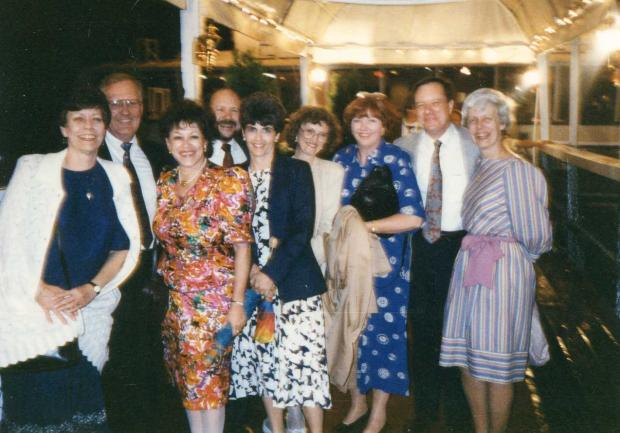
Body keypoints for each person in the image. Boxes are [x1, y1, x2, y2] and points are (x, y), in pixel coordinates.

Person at [0, 86, 140, 432]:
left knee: (83, 420)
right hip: (37, 315)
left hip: (88, 315)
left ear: (106, 127)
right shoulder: (34, 169)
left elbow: (123, 247)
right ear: (64, 128)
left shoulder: (115, 176)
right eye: (78, 119)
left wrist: (91, 290)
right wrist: (38, 290)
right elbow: (8, 239)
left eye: (96, 118)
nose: (88, 127)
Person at [439, 88, 552, 433]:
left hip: (501, 271)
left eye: (487, 118)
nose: (479, 126)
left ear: (502, 122)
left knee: (497, 364)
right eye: (472, 120)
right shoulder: (479, 165)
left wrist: (512, 259)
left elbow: (537, 237)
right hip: (470, 265)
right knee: (469, 361)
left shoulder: (517, 171)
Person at [230, 93, 332, 433]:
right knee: (267, 365)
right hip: (255, 291)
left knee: (306, 367)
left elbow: (302, 230)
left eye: (266, 129)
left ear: (277, 134)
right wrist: (254, 275)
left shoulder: (296, 170)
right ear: (243, 133)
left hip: (296, 287)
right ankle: (276, 429)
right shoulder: (232, 177)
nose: (258, 137)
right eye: (252, 129)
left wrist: (270, 272)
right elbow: (230, 236)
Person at [153, 100, 253, 433]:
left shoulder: (229, 181)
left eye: (193, 136)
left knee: (209, 381)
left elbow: (242, 247)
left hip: (214, 301)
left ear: (206, 141)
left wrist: (237, 305)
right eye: (177, 137)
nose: (186, 145)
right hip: (177, 303)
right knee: (188, 381)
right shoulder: (165, 184)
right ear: (167, 144)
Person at [98, 72, 185, 433]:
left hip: (151, 278)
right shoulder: (91, 152)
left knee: (150, 367)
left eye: (132, 101)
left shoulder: (153, 150)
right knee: (113, 368)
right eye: (115, 102)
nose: (125, 110)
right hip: (110, 278)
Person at [333, 94, 425, 433]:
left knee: (384, 336)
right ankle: (358, 402)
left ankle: (379, 412)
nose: (364, 126)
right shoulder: (341, 158)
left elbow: (414, 217)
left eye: (372, 119)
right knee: (354, 333)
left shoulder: (396, 159)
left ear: (384, 125)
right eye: (358, 119)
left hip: (387, 267)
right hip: (349, 264)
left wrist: (366, 228)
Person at [395, 76, 479, 433]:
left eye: (435, 103)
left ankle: (460, 413)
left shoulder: (475, 143)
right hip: (419, 247)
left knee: (461, 332)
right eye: (421, 104)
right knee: (423, 331)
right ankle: (425, 411)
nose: (428, 111)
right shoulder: (402, 147)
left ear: (450, 106)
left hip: (462, 247)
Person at [287, 106, 345, 272]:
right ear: (296, 133)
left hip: (312, 265)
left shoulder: (333, 171)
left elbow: (328, 227)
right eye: (309, 131)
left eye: (322, 134)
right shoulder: (278, 168)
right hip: (274, 263)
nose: (315, 139)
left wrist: (298, 264)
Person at [209, 88, 249, 167]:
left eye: (234, 110)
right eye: (220, 110)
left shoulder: (252, 152)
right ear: (209, 113)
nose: (228, 117)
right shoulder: (196, 153)